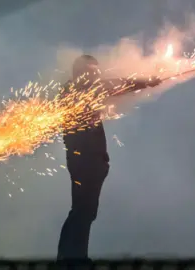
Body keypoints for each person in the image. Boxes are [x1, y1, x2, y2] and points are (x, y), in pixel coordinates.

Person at [57, 55, 161, 261]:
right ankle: (73, 259)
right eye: (92, 71)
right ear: (82, 72)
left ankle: (72, 257)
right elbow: (117, 85)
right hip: (85, 161)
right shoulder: (79, 90)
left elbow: (115, 86)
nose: (96, 74)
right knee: (83, 211)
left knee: (83, 211)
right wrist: (145, 81)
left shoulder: (75, 90)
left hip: (87, 160)